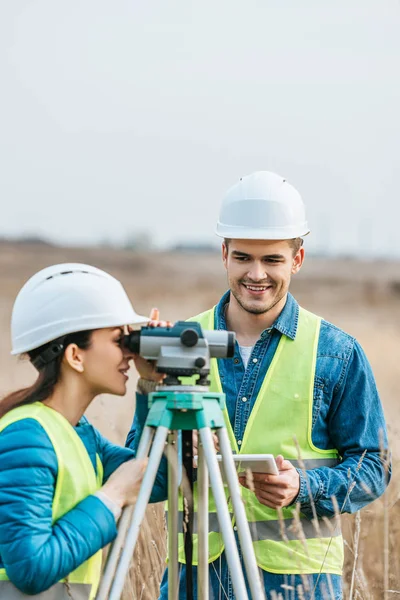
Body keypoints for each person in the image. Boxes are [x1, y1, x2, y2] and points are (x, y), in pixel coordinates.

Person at [128, 171, 391, 600]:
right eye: (243, 257)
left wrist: (304, 488)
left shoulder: (336, 353)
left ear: (297, 259)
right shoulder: (180, 341)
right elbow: (143, 465)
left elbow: (374, 467)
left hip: (297, 583)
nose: (256, 274)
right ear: (224, 254)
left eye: (272, 260)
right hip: (198, 578)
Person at [0, 263, 154, 599]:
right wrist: (112, 496)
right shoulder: (25, 437)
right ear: (75, 356)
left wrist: (154, 387)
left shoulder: (80, 434)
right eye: (119, 339)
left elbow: (151, 478)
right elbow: (30, 569)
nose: (130, 352)